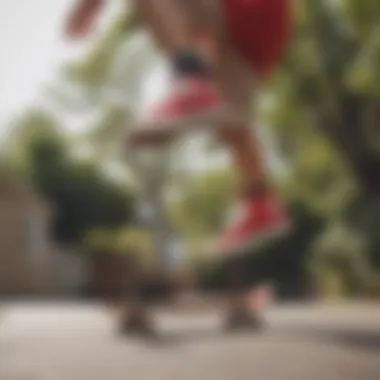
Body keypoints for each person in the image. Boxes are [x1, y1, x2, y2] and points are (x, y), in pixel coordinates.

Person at [66, 0, 292, 326]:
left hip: (242, 15)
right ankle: (260, 202)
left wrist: (90, 6)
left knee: (205, 96)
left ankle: (188, 77)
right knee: (232, 121)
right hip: (261, 37)